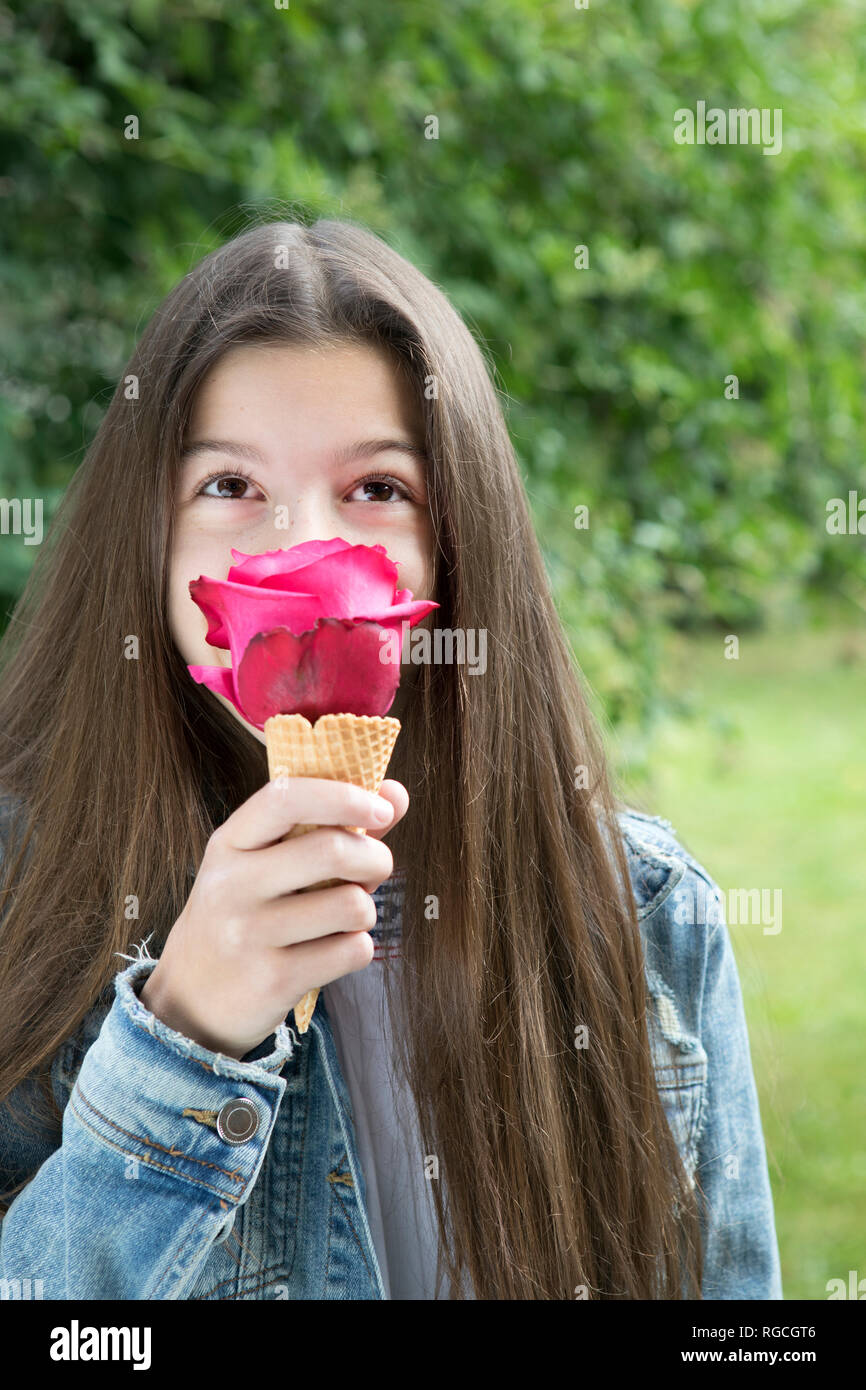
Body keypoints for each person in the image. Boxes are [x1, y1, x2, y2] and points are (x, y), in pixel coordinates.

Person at [0, 216, 782, 1299]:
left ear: (456, 542)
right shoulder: (19, 896)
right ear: (147, 535)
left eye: (376, 488)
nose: (295, 546)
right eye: (227, 485)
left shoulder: (646, 912)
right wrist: (180, 1041)